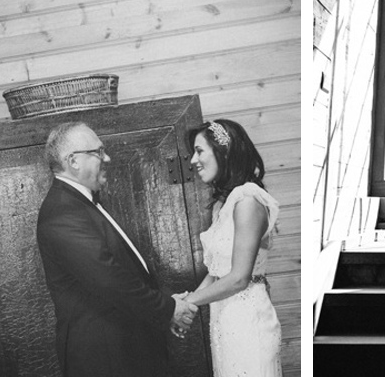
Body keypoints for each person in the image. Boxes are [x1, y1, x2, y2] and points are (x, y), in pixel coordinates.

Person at [36, 121, 198, 377]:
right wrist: (168, 308)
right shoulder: (62, 213)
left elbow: (125, 273)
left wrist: (167, 303)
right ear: (73, 161)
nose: (107, 158)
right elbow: (110, 281)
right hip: (105, 358)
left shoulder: (79, 204)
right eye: (98, 152)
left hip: (125, 351)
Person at [173, 119, 282, 377]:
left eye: (199, 151)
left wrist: (186, 303)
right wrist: (187, 306)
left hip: (248, 319)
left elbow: (238, 278)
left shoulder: (248, 200)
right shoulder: (224, 205)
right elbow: (216, 272)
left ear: (224, 151)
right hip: (224, 317)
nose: (192, 161)